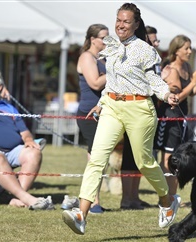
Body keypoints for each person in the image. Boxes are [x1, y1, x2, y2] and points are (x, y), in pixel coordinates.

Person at [62, 3, 181, 235]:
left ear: (136, 24)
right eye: (118, 20)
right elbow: (111, 82)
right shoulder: (112, 48)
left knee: (144, 162)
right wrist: (100, 102)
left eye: (126, 21)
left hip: (139, 108)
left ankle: (167, 199)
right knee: (97, 158)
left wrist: (166, 94)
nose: (120, 25)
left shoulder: (145, 50)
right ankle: (81, 214)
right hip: (112, 107)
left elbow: (153, 80)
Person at [0, 69, 54, 210]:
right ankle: (26, 198)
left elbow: (24, 132)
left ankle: (17, 198)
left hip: (11, 151)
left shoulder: (9, 108)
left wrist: (29, 140)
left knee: (34, 153)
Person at [61, 24, 109, 214]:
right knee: (95, 157)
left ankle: (90, 199)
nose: (107, 42)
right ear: (92, 39)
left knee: (99, 157)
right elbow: (95, 83)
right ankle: (92, 201)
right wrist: (114, 72)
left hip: (102, 111)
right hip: (89, 114)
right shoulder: (86, 57)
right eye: (104, 38)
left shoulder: (102, 59)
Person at [154, 35, 196, 197]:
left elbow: (192, 93)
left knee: (179, 155)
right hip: (170, 117)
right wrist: (193, 82)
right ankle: (167, 195)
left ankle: (172, 194)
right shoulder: (172, 70)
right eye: (186, 48)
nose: (190, 51)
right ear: (176, 51)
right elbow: (177, 98)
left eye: (190, 48)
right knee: (169, 157)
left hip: (182, 117)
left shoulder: (187, 67)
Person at [119, 24, 161, 210]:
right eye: (153, 40)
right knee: (130, 155)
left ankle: (134, 197)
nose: (156, 43)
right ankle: (126, 199)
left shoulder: (153, 59)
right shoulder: (132, 57)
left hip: (147, 111)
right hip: (133, 110)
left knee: (141, 156)